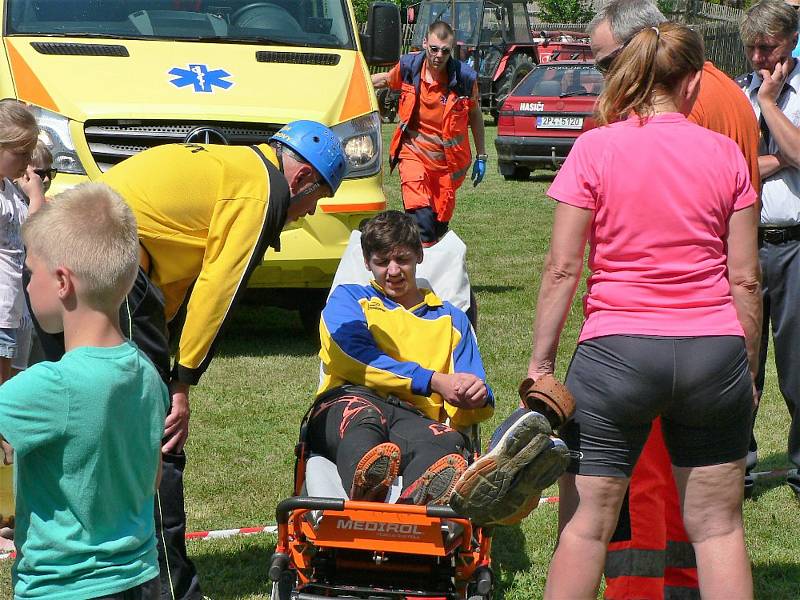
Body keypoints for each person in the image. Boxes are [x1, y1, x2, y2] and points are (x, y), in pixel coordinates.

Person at [32, 121, 348, 600]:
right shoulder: (261, 193)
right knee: (157, 432)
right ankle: (170, 583)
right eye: (317, 198)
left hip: (72, 255)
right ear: (302, 177)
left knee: (94, 416)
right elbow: (218, 291)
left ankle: (93, 555)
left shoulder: (238, 167)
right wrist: (179, 382)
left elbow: (173, 278)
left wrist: (165, 348)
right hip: (109, 262)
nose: (310, 212)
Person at [522, 23, 759, 598]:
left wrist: (542, 363)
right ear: (693, 82)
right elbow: (746, 278)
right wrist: (746, 372)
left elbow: (561, 268)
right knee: (719, 529)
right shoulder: (726, 153)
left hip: (614, 354)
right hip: (712, 353)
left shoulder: (595, 147)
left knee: (586, 529)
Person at [0, 182, 169, 599]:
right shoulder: (146, 373)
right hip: (139, 578)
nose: (26, 283)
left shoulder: (50, 386)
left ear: (61, 281)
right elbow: (152, 478)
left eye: (29, 271)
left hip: (62, 588)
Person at [309, 210, 493, 505]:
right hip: (352, 401)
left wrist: (475, 396)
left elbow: (470, 393)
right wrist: (432, 381)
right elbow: (353, 357)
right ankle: (369, 482)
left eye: (402, 260)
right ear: (367, 263)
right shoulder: (349, 300)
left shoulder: (452, 320)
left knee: (446, 442)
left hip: (414, 418)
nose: (393, 271)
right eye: (382, 262)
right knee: (363, 421)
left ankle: (413, 509)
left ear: (419, 255)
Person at [738, 0, 800, 504]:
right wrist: (781, 156)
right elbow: (729, 167)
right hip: (744, 245)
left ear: (791, 41)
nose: (760, 57)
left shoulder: (782, 93)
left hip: (796, 245)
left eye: (769, 47)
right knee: (741, 363)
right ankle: (740, 469)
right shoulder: (736, 94)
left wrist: (772, 103)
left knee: (798, 369)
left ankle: (799, 471)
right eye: (753, 48)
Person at [371, 21, 487, 245]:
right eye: (434, 48)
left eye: (445, 50)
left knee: (437, 227)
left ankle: (430, 272)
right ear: (424, 43)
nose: (438, 55)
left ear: (451, 50)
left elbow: (475, 114)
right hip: (413, 154)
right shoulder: (409, 67)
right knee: (420, 221)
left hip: (446, 167)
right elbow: (385, 79)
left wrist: (482, 155)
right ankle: (414, 271)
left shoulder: (464, 79)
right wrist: (355, 81)